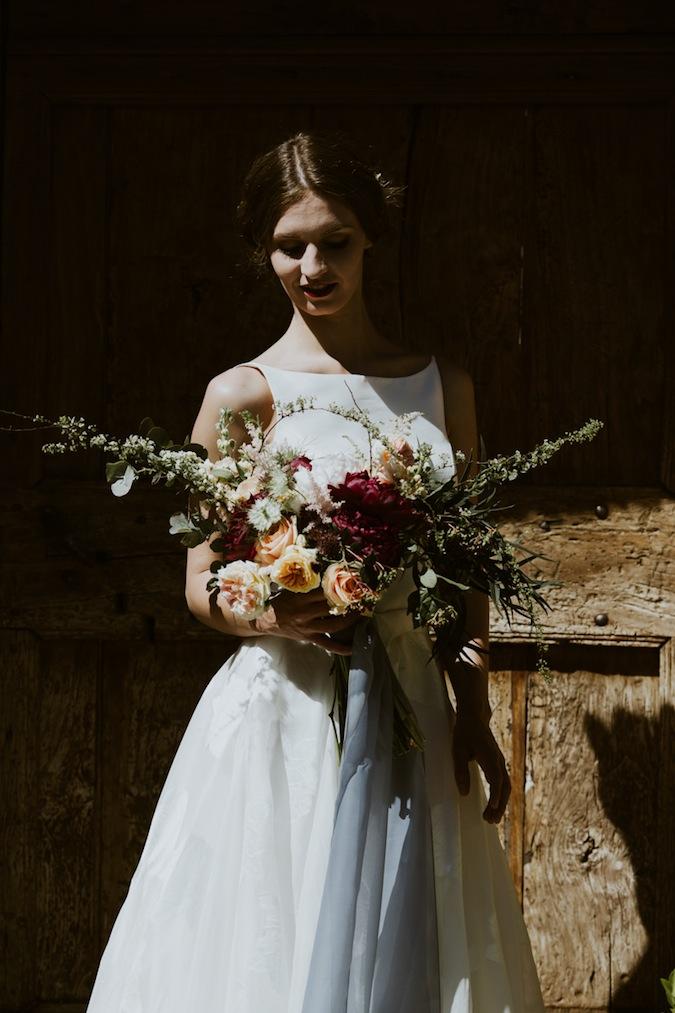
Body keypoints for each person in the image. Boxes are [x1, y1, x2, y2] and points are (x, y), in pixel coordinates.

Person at [86, 130, 545, 1011]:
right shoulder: (240, 396)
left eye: (333, 242)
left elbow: (464, 570)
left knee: (406, 939)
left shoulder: (442, 385)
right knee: (274, 931)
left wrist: (475, 712)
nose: (311, 266)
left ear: (370, 238)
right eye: (289, 246)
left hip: (411, 698)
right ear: (263, 250)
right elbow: (200, 581)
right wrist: (278, 616)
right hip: (287, 710)